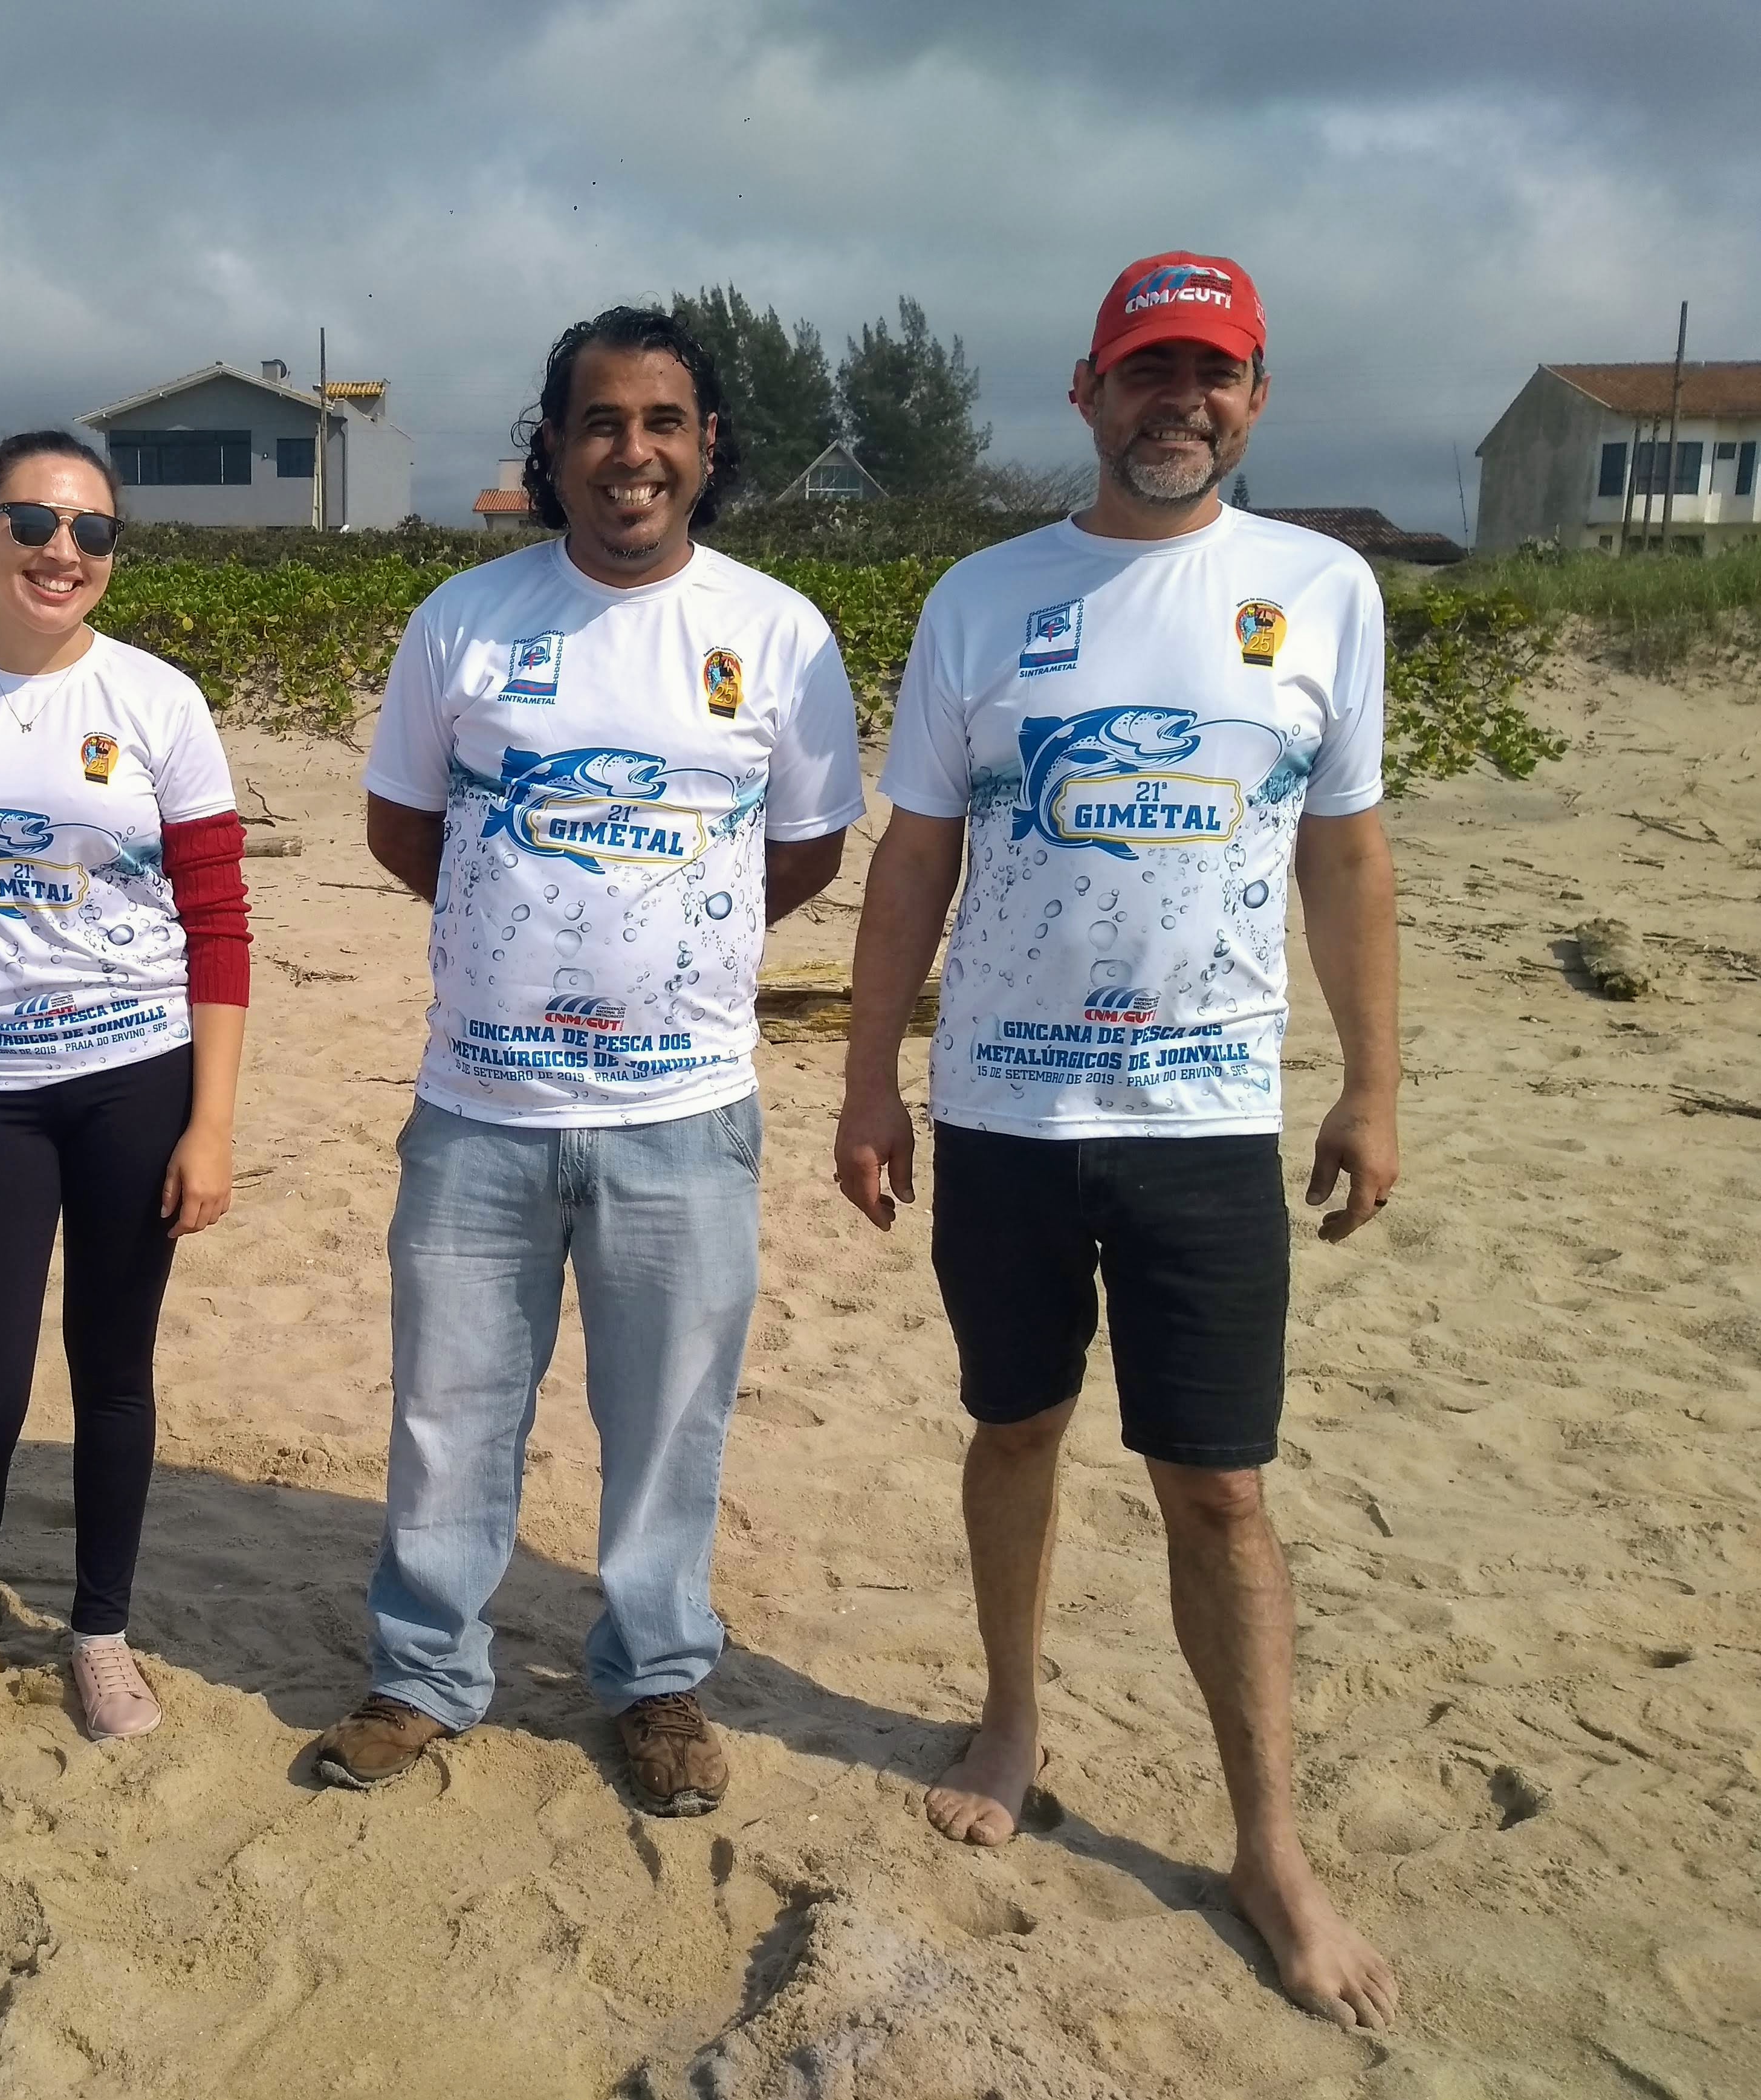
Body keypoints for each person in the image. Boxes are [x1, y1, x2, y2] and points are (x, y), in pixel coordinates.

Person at [832, 253, 1402, 2027]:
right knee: (1015, 1426)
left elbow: (1346, 856)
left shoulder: (1321, 591)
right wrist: (868, 1080)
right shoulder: (984, 597)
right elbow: (917, 855)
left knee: (1219, 1487)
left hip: (1207, 1123)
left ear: (1256, 396)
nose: (1182, 402)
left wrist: (1374, 1083)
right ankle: (1011, 1719)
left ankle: (1269, 1847)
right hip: (1006, 1110)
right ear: (1088, 391)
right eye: (1149, 371)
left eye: (1211, 373)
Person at [319, 308, 864, 1815]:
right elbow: (404, 827)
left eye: (664, 422)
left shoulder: (779, 632)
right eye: (602, 423)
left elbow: (807, 846)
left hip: (684, 1113)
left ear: (707, 447)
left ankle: (657, 1678)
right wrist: (534, 924)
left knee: (671, 1421)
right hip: (479, 1106)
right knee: (448, 1413)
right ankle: (424, 1673)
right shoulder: (465, 619)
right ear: (552, 448)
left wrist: (658, 941)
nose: (634, 453)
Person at [0, 430, 250, 1790]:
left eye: (92, 531)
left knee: (113, 1371)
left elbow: (219, 918)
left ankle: (100, 1631)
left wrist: (211, 1124)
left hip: (136, 1076)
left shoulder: (158, 700)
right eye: (33, 522)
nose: (62, 552)